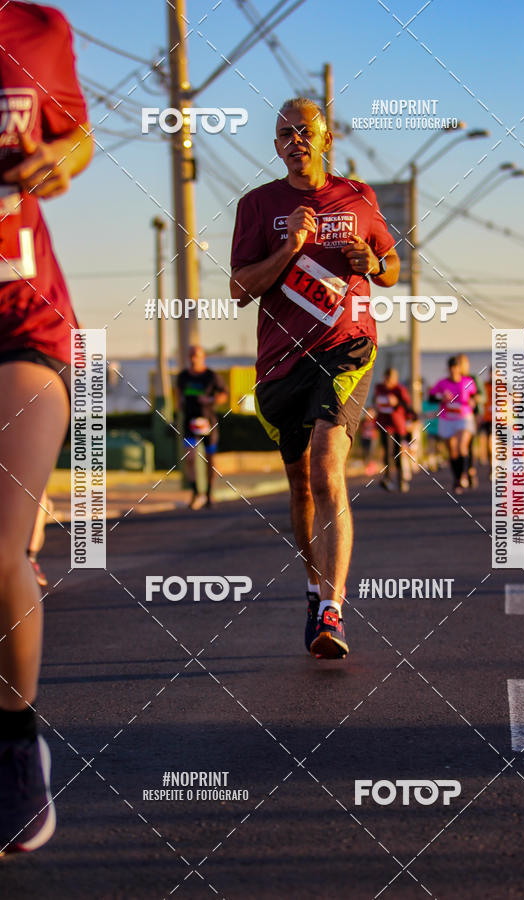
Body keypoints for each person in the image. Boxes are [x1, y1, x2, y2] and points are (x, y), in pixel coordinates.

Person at [230, 97, 399, 659]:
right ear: (275, 145)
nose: (295, 141)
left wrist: (372, 265)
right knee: (301, 485)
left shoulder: (359, 197)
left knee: (328, 471)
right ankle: (311, 586)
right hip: (280, 363)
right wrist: (289, 248)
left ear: (326, 137)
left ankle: (333, 607)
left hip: (346, 347)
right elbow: (239, 288)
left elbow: (393, 266)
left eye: (305, 131)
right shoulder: (257, 206)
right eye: (284, 134)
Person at [0, 2, 93, 854]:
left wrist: (58, 159)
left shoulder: (34, 30)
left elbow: (76, 135)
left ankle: (14, 741)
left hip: (19, 323)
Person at [176, 345, 228, 510]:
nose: (193, 359)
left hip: (208, 422)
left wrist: (210, 400)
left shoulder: (211, 376)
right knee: (190, 458)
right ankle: (195, 492)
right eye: (191, 355)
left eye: (196, 355)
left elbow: (223, 395)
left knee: (210, 459)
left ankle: (209, 493)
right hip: (190, 422)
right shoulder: (183, 376)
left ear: (203, 357)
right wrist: (179, 406)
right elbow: (178, 394)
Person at [429, 357, 477, 494]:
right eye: (451, 368)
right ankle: (457, 479)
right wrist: (441, 397)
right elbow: (431, 397)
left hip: (463, 417)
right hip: (447, 418)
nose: (453, 370)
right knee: (452, 450)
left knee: (462, 447)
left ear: (459, 368)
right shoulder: (442, 383)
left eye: (456, 367)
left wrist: (474, 401)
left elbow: (475, 396)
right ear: (448, 369)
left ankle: (463, 475)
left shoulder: (467, 382)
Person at [374, 367, 416, 492]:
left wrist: (397, 403)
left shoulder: (399, 390)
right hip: (384, 424)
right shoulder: (379, 388)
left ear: (395, 379)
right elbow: (375, 401)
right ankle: (387, 478)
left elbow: (408, 407)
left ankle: (401, 479)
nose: (388, 381)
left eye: (390, 378)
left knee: (397, 454)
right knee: (387, 451)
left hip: (398, 426)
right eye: (386, 378)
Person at [457, 353, 482, 488]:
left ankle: (470, 470)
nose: (461, 367)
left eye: (463, 364)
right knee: (459, 446)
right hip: (455, 416)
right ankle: (462, 473)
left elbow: (481, 396)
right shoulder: (454, 380)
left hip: (470, 415)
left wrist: (476, 401)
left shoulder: (472, 379)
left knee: (469, 444)